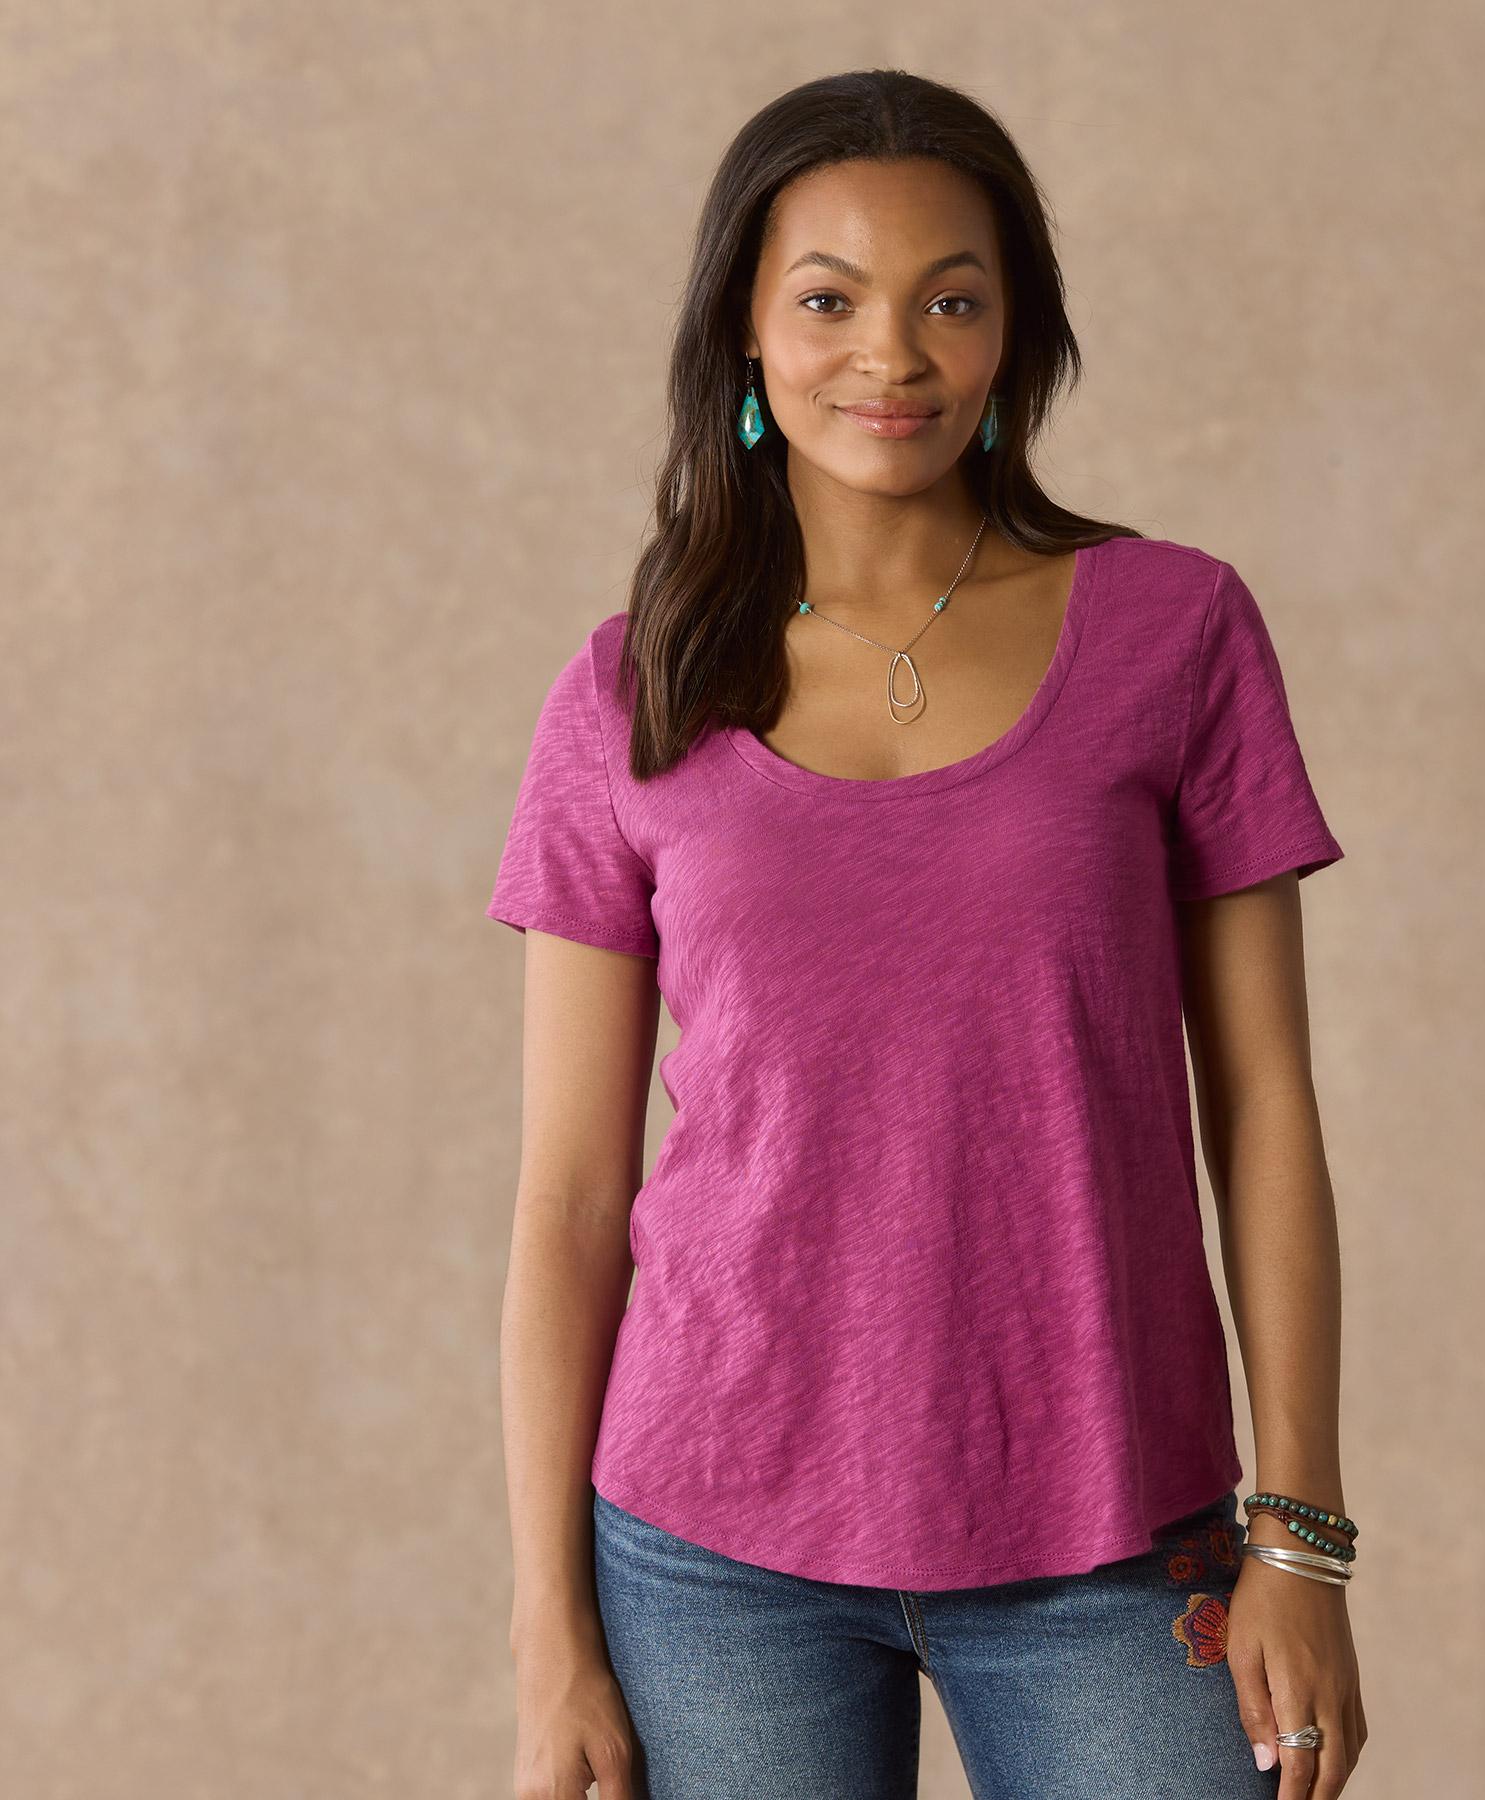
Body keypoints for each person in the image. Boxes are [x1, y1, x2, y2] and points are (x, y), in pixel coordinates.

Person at [490, 67, 1367, 1800]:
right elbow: (575, 1196)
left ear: (1014, 335)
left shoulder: (1175, 631)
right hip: (709, 1548)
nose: (888, 355)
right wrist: (547, 1630)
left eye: (950, 301)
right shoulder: (628, 690)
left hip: (1117, 1525)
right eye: (828, 300)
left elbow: (1264, 1106)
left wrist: (1304, 1535)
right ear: (745, 332)